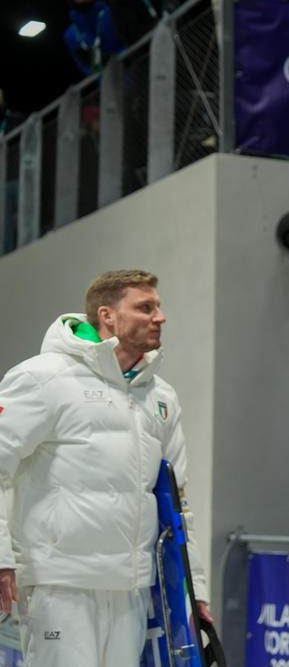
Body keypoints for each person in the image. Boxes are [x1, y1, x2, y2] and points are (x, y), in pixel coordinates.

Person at [0, 270, 211, 665]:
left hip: (130, 588)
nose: (160, 317)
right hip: (60, 584)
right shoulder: (43, 378)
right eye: (145, 307)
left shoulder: (161, 396)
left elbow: (178, 503)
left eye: (158, 307)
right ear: (107, 316)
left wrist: (192, 589)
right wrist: (2, 558)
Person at [63, 0, 124, 77]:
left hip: (127, 63)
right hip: (105, 77)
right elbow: (83, 66)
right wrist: (95, 69)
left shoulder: (109, 13)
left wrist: (119, 57)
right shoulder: (71, 35)